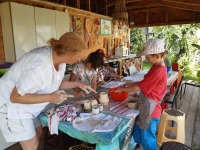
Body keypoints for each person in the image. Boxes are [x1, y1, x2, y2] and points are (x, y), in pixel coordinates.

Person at [0, 32, 95, 150]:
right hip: (12, 106)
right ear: (69, 53)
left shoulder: (60, 60)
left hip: (27, 104)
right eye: (78, 55)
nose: (79, 59)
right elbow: (15, 97)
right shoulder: (40, 65)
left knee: (38, 132)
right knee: (31, 144)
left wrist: (79, 84)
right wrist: (50, 97)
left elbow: (55, 82)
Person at [116, 39, 168, 150]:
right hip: (146, 106)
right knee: (139, 134)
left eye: (148, 57)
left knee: (148, 139)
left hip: (151, 111)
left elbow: (135, 89)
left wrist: (120, 88)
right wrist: (128, 83)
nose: (146, 59)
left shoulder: (158, 71)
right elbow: (143, 83)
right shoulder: (157, 66)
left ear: (157, 55)